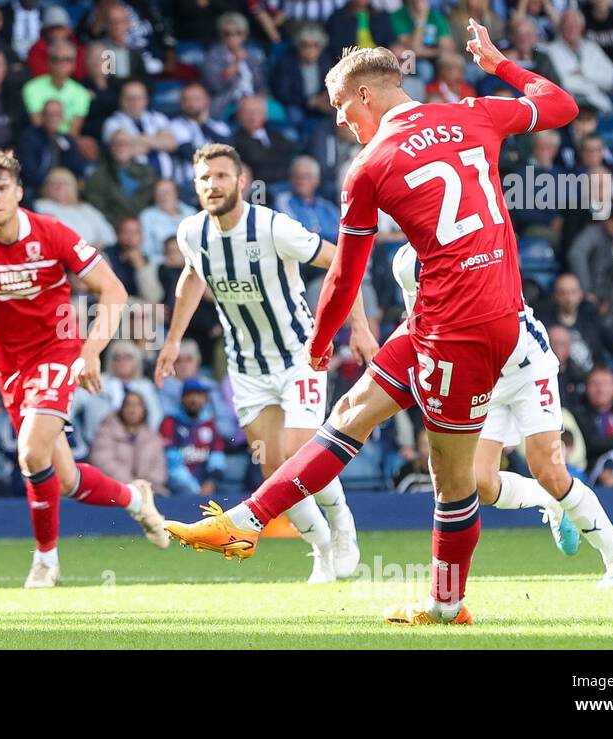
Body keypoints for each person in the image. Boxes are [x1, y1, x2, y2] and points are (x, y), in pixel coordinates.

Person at [165, 27, 579, 625]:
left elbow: (343, 275)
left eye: (339, 107)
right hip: (445, 317)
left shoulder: (370, 166)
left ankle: (446, 606)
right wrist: (497, 63)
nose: (339, 122)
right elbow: (562, 104)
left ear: (363, 96)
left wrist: (316, 343)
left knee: (452, 481)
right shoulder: (473, 114)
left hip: (463, 332)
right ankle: (245, 523)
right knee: (348, 416)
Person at [0, 151, 168, 588]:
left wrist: (91, 351)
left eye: (1, 189)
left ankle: (46, 560)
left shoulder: (52, 232)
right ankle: (135, 498)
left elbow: (113, 290)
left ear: (18, 193)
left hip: (57, 349)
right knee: (66, 479)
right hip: (8, 367)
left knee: (31, 452)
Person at [157, 142, 368, 583]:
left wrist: (361, 329)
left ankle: (344, 523)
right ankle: (322, 548)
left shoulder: (272, 227)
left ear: (241, 181)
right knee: (274, 469)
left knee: (300, 454)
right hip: (247, 367)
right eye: (204, 178)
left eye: (220, 176)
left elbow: (341, 263)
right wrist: (173, 340)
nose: (212, 185)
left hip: (300, 355)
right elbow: (192, 276)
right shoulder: (192, 233)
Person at [395, 243, 613, 586]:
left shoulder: (473, 239)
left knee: (550, 471)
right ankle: (551, 503)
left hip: (526, 366)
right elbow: (421, 330)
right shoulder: (406, 264)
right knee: (479, 482)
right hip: (486, 377)